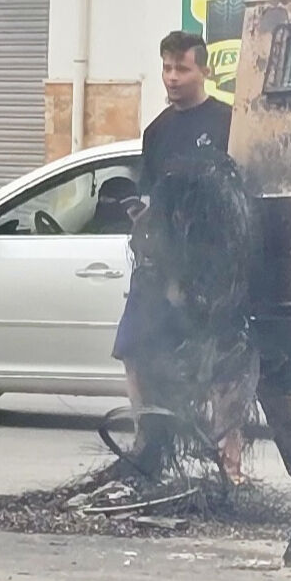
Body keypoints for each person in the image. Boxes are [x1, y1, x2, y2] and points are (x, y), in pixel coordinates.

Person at [112, 31, 239, 477]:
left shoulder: (229, 122)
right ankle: (148, 448)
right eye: (166, 68)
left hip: (213, 268)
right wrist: (141, 214)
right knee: (132, 347)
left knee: (224, 361)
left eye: (181, 68)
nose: (171, 77)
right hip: (160, 266)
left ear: (203, 70)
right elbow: (149, 195)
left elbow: (242, 192)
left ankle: (230, 462)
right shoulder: (157, 132)